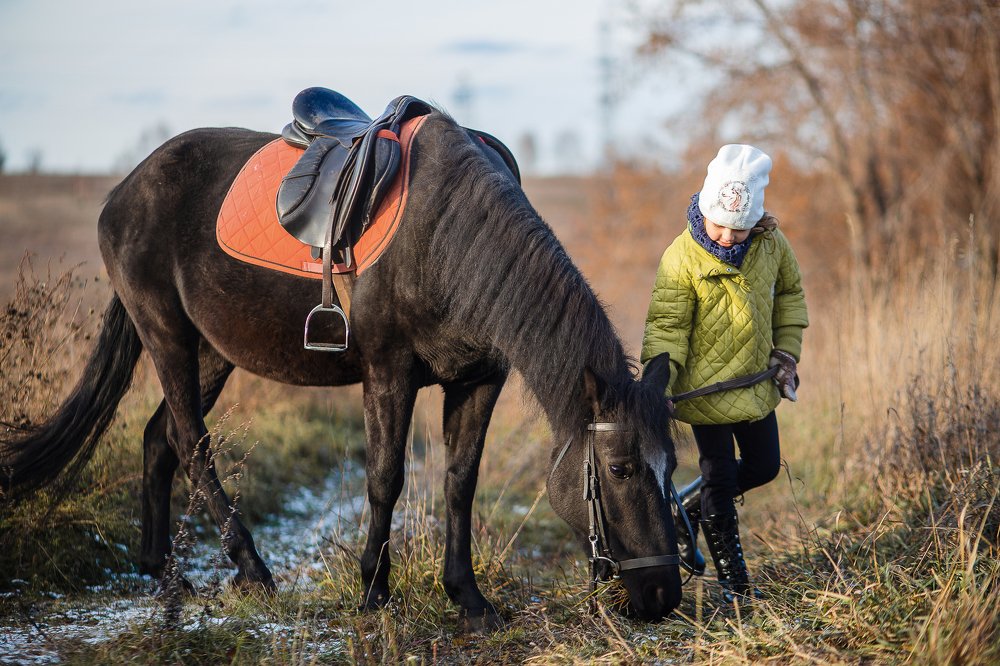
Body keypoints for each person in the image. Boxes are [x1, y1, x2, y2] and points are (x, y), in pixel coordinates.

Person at [640, 144, 808, 603]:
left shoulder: (771, 244)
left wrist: (786, 352)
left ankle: (684, 512)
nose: (729, 237)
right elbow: (666, 328)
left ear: (756, 220)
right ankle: (735, 584)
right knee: (720, 482)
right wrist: (661, 387)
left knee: (764, 466)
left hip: (754, 386)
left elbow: (790, 295)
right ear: (703, 209)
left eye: (740, 228)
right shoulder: (682, 258)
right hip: (703, 393)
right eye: (720, 225)